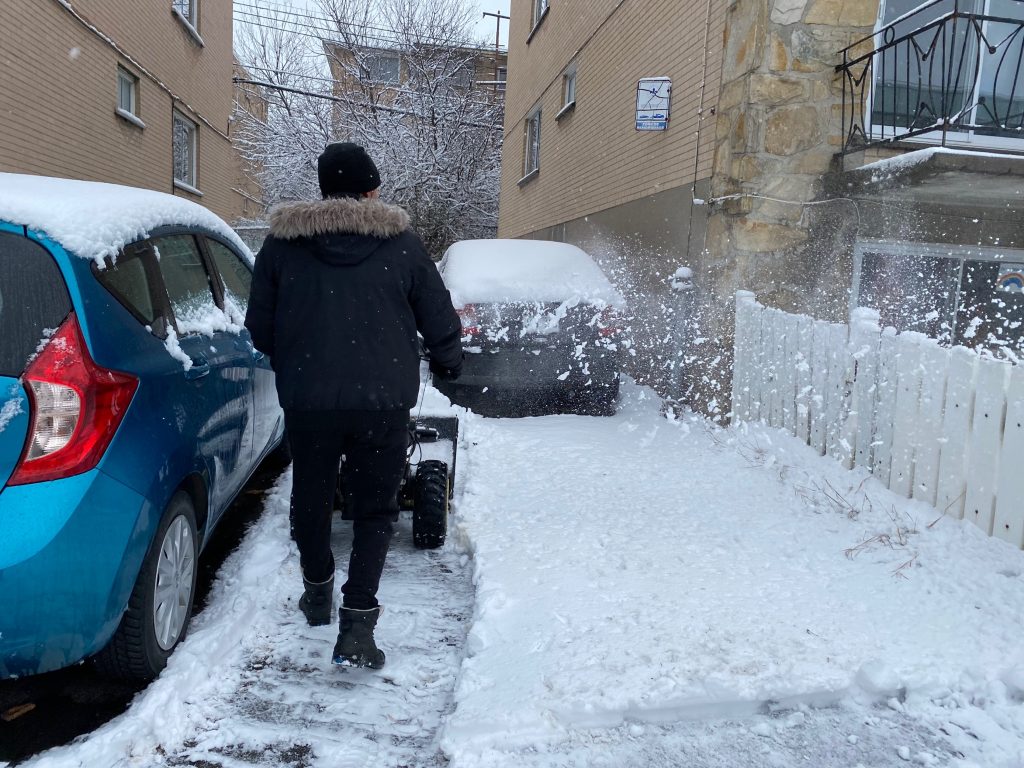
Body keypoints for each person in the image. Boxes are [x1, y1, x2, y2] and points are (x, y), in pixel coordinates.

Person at [245, 142, 463, 669]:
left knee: (313, 497)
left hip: (308, 399)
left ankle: (317, 590)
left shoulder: (281, 247)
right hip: (380, 402)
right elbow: (437, 316)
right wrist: (449, 362)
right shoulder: (404, 246)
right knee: (374, 509)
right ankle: (358, 625)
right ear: (371, 188)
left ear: (323, 188)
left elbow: (259, 327)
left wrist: (298, 359)